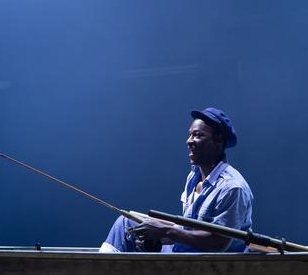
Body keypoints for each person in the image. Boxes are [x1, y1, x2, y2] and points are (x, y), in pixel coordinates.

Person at [100, 107, 253, 253]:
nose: (189, 141)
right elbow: (187, 231)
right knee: (127, 222)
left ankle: (99, 274)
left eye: (198, 135)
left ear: (218, 140)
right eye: (190, 134)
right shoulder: (193, 177)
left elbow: (217, 243)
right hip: (183, 251)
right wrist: (158, 237)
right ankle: (102, 270)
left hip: (207, 264)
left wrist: (166, 231)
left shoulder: (232, 187)